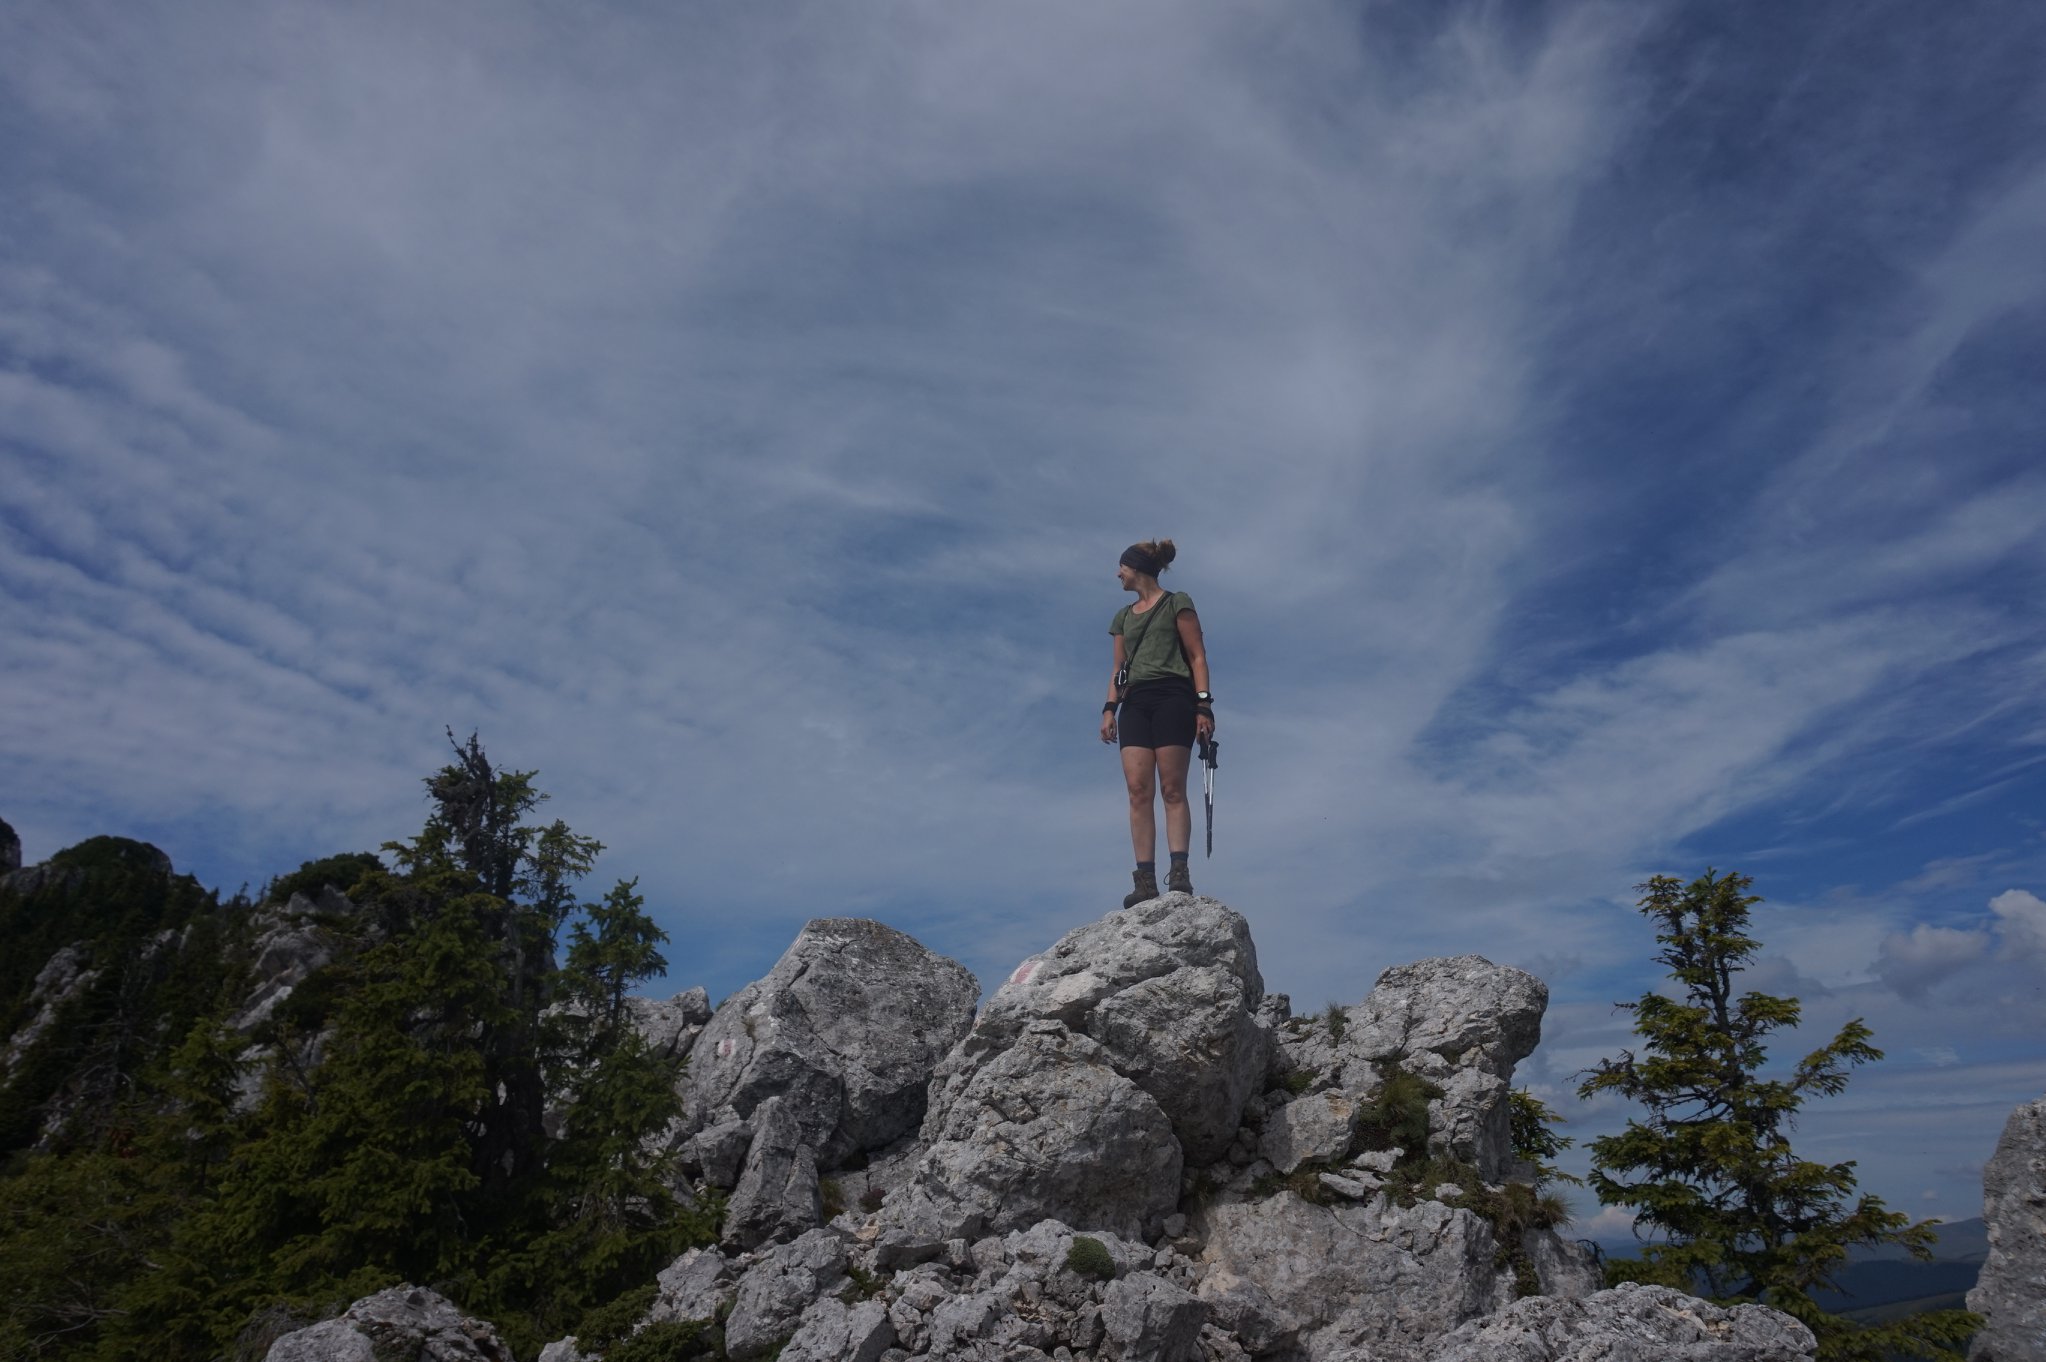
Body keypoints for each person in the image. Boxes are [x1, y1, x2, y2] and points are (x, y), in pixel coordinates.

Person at [1099, 538, 1214, 907]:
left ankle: (1179, 871)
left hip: (1173, 698)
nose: (1118, 574)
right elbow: (1118, 668)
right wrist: (1109, 709)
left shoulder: (1177, 602)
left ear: (1136, 568)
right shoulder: (1122, 616)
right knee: (1138, 790)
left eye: (1122, 567)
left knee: (1172, 788)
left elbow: (1197, 656)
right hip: (1135, 702)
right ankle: (1145, 880)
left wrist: (1203, 705)